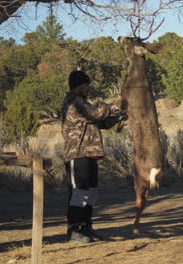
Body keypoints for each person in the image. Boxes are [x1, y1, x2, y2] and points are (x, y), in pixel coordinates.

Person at [61, 70, 120, 243]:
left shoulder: (83, 103)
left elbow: (101, 122)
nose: (89, 89)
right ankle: (74, 230)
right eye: (86, 86)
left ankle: (86, 228)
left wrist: (118, 117)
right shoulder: (74, 102)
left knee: (90, 193)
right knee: (79, 193)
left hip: (91, 153)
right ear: (79, 86)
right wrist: (114, 106)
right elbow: (96, 114)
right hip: (77, 153)